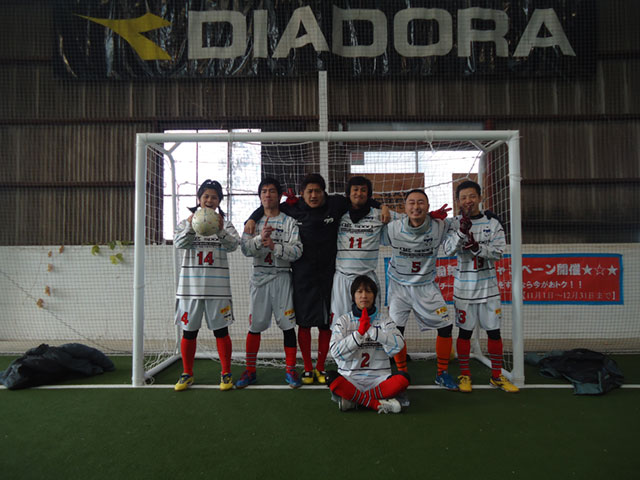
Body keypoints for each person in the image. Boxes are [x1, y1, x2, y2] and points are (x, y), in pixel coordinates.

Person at [245, 173, 387, 385]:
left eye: (317, 191)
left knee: (325, 324)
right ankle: (307, 368)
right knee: (303, 324)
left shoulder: (335, 204)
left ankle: (320, 366)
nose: (313, 195)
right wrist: (252, 218)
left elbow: (358, 199)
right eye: (309, 191)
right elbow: (269, 206)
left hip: (329, 275)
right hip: (302, 275)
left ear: (324, 192)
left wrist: (382, 206)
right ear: (302, 193)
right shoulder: (293, 208)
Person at [442, 180, 519, 393]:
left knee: (494, 333)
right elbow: (447, 250)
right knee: (464, 333)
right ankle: (465, 375)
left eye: (472, 196)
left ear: (479, 197)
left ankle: (497, 376)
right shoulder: (453, 223)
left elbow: (499, 252)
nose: (468, 200)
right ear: (458, 201)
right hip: (464, 291)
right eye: (463, 197)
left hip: (489, 289)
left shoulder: (493, 223)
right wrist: (461, 234)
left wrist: (477, 247)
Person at [382, 189, 459, 391]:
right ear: (405, 207)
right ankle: (402, 372)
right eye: (412, 203)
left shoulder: (439, 225)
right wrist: (381, 206)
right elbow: (374, 218)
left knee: (445, 326)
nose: (416, 207)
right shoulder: (393, 227)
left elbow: (463, 221)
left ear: (428, 206)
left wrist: (488, 216)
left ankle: (442, 373)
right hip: (399, 286)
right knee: (396, 330)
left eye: (421, 202)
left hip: (426, 286)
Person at [236, 178, 304, 389]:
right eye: (264, 191)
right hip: (259, 279)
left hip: (282, 277)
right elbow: (245, 249)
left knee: (288, 325)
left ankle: (290, 370)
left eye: (272, 191)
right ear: (259, 196)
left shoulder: (289, 222)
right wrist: (259, 240)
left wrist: (275, 247)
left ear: (280, 195)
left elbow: (298, 251)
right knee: (255, 326)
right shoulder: (252, 223)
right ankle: (250, 370)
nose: (268, 194)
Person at [173, 179, 240, 392]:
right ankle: (187, 373)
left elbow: (233, 245)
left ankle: (226, 372)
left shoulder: (226, 224)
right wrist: (192, 227)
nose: (210, 200)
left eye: (214, 197)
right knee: (189, 333)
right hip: (189, 289)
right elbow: (178, 243)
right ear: (199, 198)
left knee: (221, 332)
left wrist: (220, 231)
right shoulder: (185, 222)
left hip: (217, 289)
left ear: (219, 200)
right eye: (206, 196)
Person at [327, 275, 409, 414]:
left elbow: (398, 345)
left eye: (368, 291)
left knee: (404, 379)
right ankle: (375, 403)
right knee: (330, 377)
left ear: (374, 296)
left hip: (379, 379)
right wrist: (359, 333)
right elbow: (335, 352)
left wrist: (372, 331)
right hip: (350, 378)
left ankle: (354, 400)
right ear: (353, 296)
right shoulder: (343, 321)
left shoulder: (384, 320)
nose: (364, 296)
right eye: (359, 292)